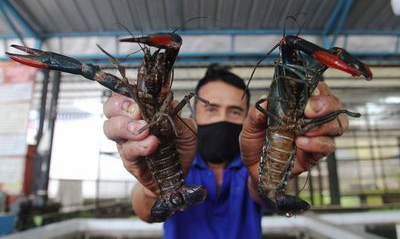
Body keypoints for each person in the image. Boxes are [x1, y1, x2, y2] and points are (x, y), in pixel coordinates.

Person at [102, 64, 348, 239]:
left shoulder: (251, 162)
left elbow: (263, 195)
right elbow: (144, 210)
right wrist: (150, 187)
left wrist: (270, 176)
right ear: (192, 113)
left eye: (234, 111)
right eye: (210, 109)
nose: (222, 118)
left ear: (247, 116)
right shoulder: (179, 154)